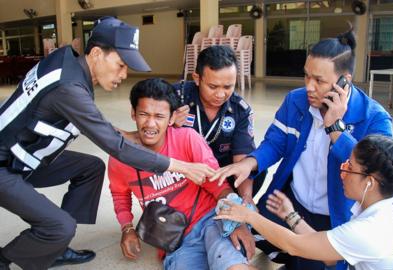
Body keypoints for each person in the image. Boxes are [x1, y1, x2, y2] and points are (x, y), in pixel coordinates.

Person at [0, 17, 213, 270]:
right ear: (97, 53)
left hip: (25, 153)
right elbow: (116, 146)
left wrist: (148, 129)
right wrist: (183, 167)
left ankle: (54, 246)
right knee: (60, 227)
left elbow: (98, 125)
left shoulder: (68, 63)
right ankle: (8, 257)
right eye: (121, 65)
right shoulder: (69, 88)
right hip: (6, 165)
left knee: (90, 168)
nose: (124, 74)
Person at [212, 27, 393, 270]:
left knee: (311, 260)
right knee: (236, 239)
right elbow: (275, 142)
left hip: (334, 219)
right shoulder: (296, 100)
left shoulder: (374, 118)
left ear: (344, 81)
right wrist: (249, 163)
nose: (309, 86)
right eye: (306, 76)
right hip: (288, 204)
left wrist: (336, 130)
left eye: (319, 80)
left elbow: (372, 171)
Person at [216, 135, 393, 270]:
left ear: (369, 182)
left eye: (348, 168)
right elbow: (328, 254)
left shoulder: (371, 229)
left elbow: (294, 245)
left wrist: (248, 215)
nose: (342, 173)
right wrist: (291, 216)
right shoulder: (388, 210)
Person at [108, 78, 255, 269]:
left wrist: (237, 222)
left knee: (233, 267)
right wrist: (127, 228)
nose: (150, 124)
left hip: (212, 219)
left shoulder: (187, 138)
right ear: (133, 114)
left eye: (159, 116)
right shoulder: (120, 157)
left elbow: (218, 185)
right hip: (174, 237)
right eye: (144, 114)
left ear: (171, 119)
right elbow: (120, 195)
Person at [173, 45, 266, 209]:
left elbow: (241, 161)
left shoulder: (240, 110)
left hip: (221, 173)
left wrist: (246, 199)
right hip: (184, 171)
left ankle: (230, 203)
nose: (221, 94)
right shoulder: (175, 97)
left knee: (255, 167)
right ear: (197, 78)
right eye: (213, 86)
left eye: (228, 87)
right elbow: (150, 135)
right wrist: (169, 124)